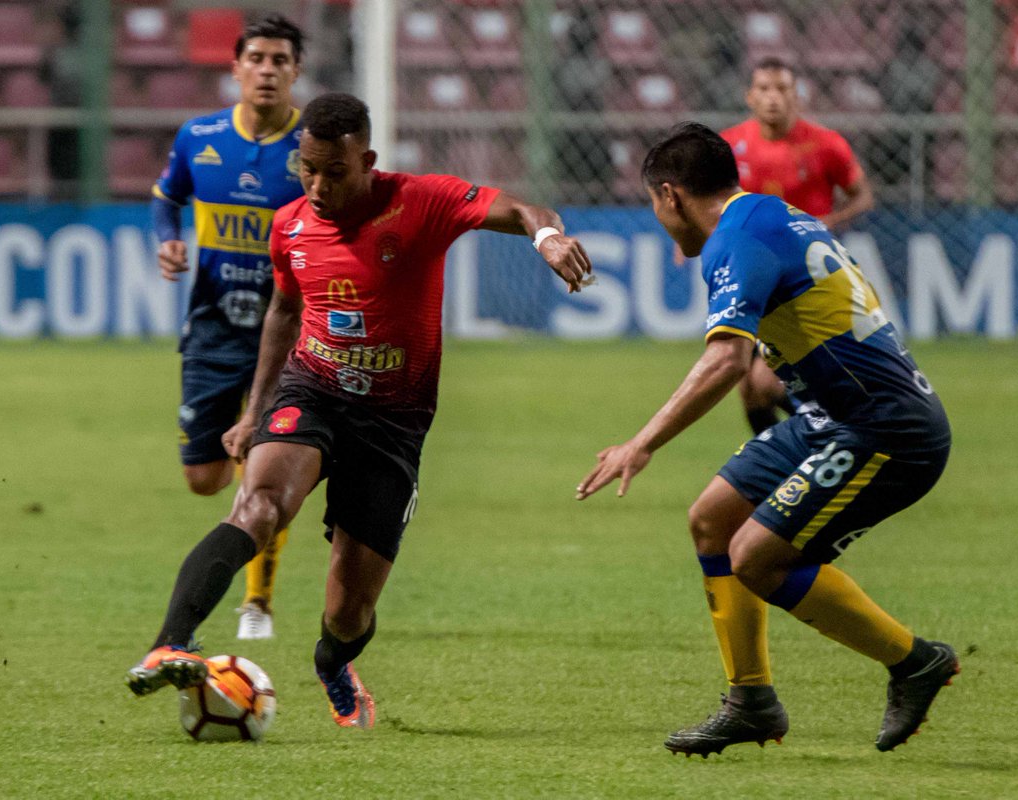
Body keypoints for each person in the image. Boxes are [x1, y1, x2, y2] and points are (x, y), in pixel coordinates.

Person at [127, 92, 593, 729]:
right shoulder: (289, 224)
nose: (317, 187)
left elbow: (515, 207)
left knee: (349, 612)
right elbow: (284, 313)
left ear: (367, 159)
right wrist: (255, 411)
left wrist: (545, 236)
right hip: (311, 391)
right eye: (307, 170)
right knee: (259, 505)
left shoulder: (420, 200)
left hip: (393, 422)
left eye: (334, 172)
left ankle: (332, 661)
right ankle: (171, 643)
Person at [576, 123, 956, 756]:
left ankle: (914, 661)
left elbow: (727, 361)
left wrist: (640, 443)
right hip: (830, 416)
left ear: (669, 195)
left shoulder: (736, 240)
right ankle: (750, 701)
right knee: (712, 521)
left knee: (756, 557)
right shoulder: (772, 214)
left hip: (885, 428)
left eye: (653, 204)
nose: (658, 218)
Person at [151, 15, 307, 640]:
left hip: (292, 330)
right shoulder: (200, 137)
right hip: (215, 326)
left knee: (263, 459)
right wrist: (167, 242)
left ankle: (257, 602)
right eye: (258, 58)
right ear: (237, 68)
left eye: (280, 60)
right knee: (203, 477)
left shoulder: (313, 150)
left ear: (296, 72)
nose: (268, 70)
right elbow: (166, 199)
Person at [721, 57, 875, 435]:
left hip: (805, 280)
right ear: (749, 97)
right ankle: (788, 459)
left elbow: (862, 196)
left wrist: (824, 225)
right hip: (756, 278)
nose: (773, 97)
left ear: (797, 96)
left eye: (782, 89)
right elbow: (714, 204)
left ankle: (836, 437)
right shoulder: (728, 146)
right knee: (750, 392)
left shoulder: (826, 145)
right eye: (764, 89)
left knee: (767, 382)